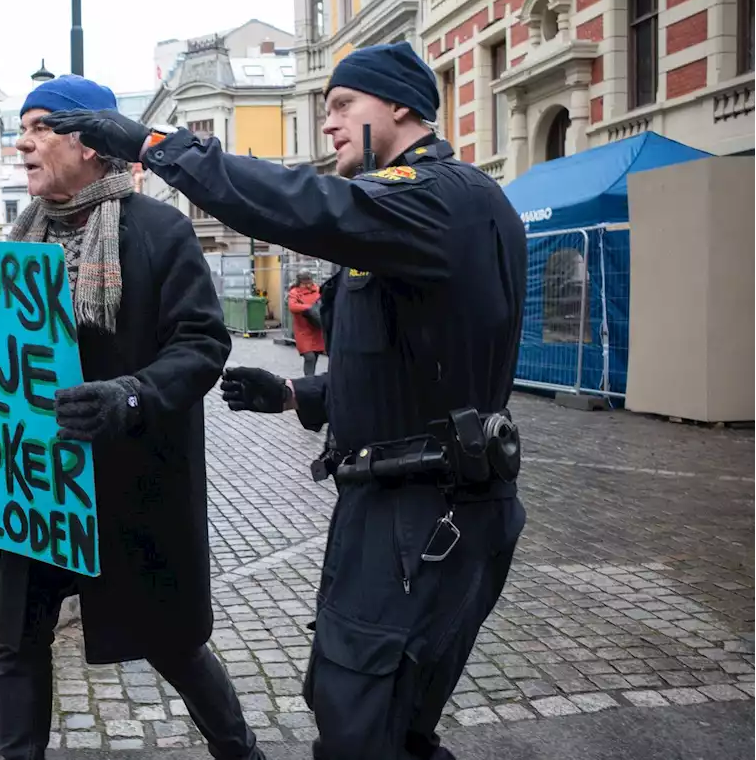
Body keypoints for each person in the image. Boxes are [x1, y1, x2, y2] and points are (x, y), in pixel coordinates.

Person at [41, 42, 528, 760]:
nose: (328, 123)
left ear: (399, 106)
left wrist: (154, 144)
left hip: (423, 512)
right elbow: (421, 364)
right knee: (380, 718)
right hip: (404, 502)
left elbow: (298, 205)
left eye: (341, 106)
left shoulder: (435, 197)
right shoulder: (423, 204)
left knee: (360, 720)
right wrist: (298, 393)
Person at [0, 74, 266, 760]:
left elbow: (203, 344)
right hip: (40, 485)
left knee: (172, 642)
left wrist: (130, 395)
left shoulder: (159, 230)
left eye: (41, 126)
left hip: (131, 485)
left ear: (91, 141)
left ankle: (240, 749)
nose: (23, 142)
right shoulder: (11, 249)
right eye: (22, 127)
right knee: (16, 635)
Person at [287, 269, 324, 376]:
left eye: (309, 281)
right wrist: (308, 308)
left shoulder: (317, 289)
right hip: (303, 330)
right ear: (300, 281)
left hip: (316, 328)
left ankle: (310, 378)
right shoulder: (294, 292)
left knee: (315, 354)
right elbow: (292, 306)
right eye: (305, 282)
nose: (308, 284)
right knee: (309, 356)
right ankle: (309, 379)